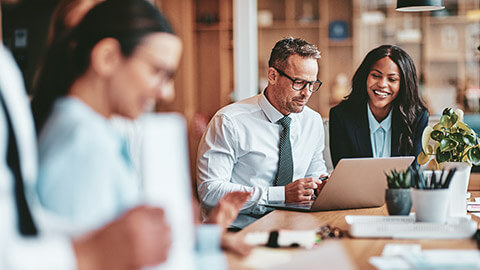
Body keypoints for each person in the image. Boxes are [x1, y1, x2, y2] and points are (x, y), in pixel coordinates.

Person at [0, 1, 172, 269]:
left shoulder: (93, 129)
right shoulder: (82, 142)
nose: (167, 93)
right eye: (157, 72)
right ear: (106, 56)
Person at [197, 37, 329, 229]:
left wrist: (323, 185)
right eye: (299, 83)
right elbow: (210, 191)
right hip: (237, 230)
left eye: (312, 84)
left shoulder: (313, 121)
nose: (307, 93)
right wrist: (281, 195)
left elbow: (315, 172)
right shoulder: (229, 121)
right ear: (272, 75)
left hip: (294, 227)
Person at [329, 45, 428, 168]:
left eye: (392, 79)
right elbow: (342, 172)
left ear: (404, 84)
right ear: (365, 76)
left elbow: (413, 173)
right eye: (376, 76)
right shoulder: (341, 116)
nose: (382, 84)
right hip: (357, 188)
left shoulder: (417, 118)